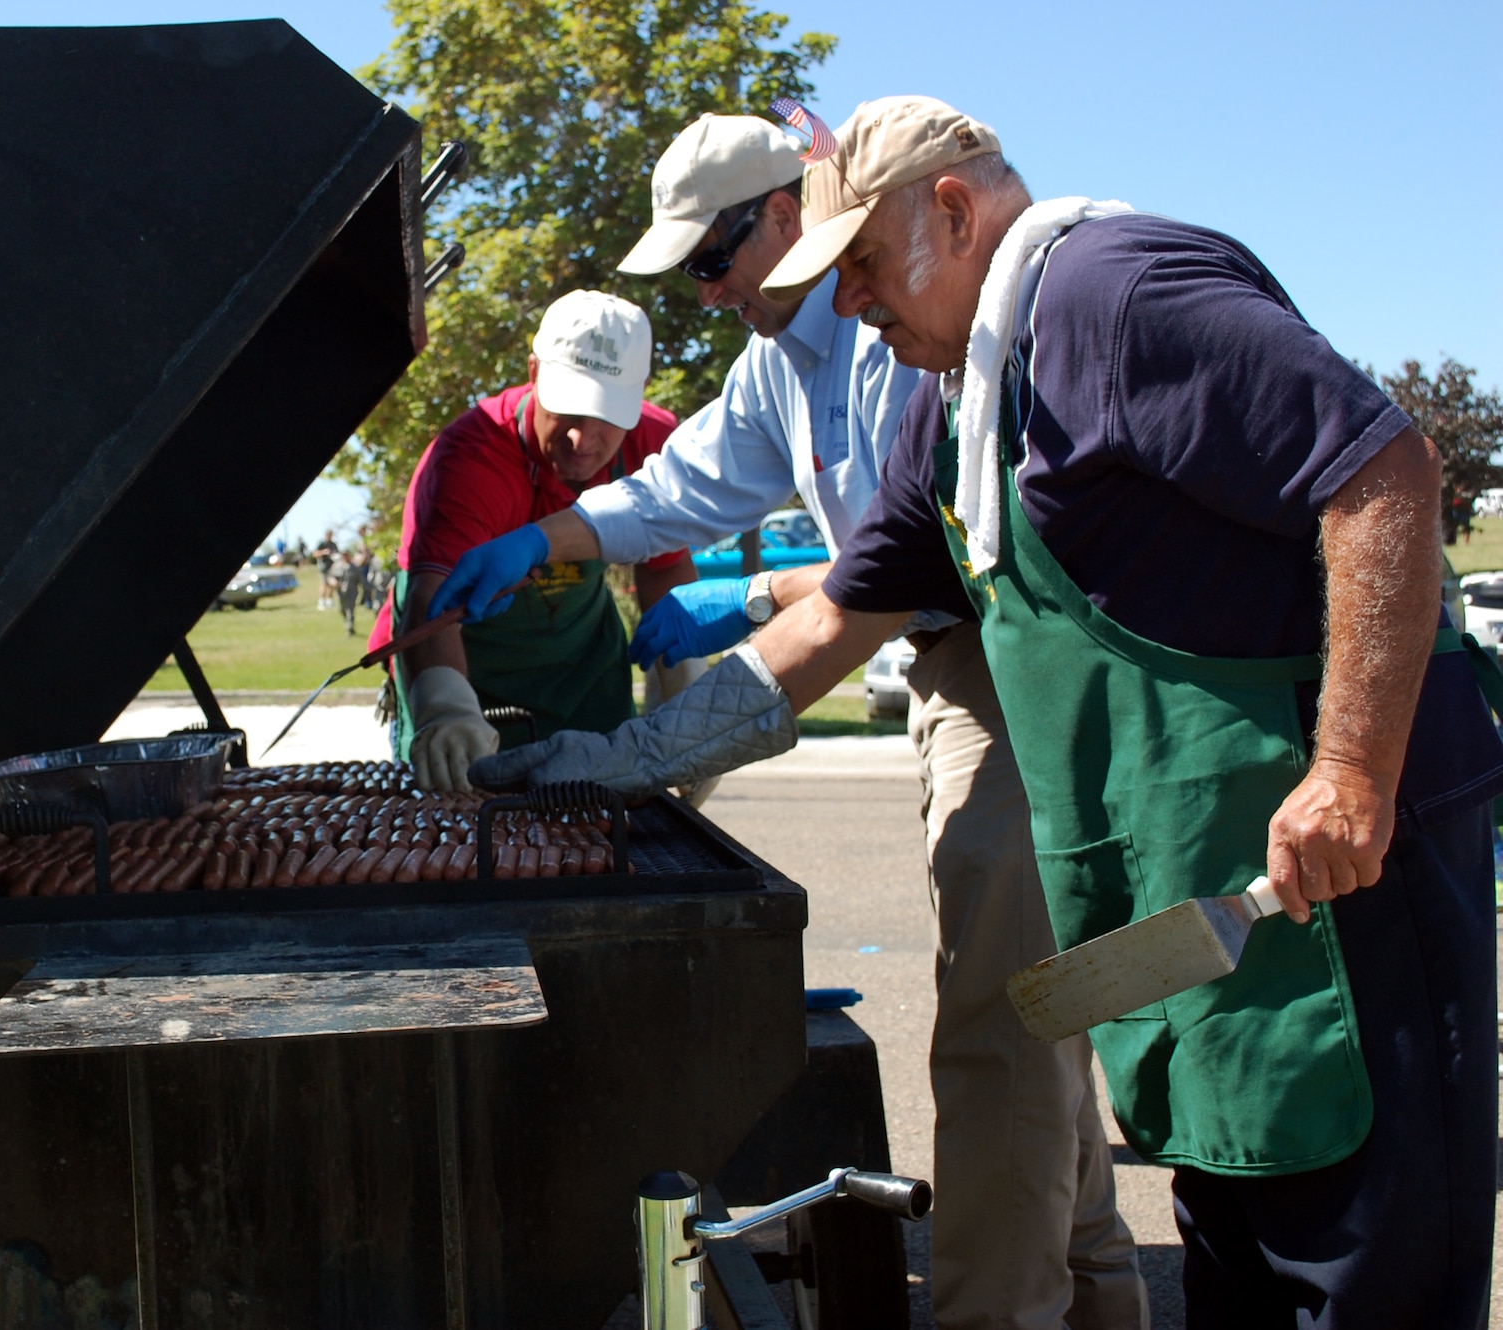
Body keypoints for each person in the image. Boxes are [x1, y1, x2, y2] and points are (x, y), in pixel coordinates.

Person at [469, 95, 1503, 1327]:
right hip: (1208, 873)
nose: (846, 306)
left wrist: (1346, 772)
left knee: (1356, 1262)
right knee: (1229, 1230)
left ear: (950, 213)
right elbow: (826, 625)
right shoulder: (948, 402)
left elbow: (1380, 472)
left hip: (1343, 869)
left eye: (856, 265)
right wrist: (613, 762)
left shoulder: (1109, 293)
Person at [433, 113, 1145, 1328]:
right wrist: (549, 536)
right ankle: (1096, 1294)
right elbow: (680, 487)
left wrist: (649, 736)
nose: (709, 295)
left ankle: (1000, 1311)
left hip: (1015, 660)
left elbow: (877, 586)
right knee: (1032, 990)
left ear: (783, 212)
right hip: (939, 661)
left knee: (998, 1020)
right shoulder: (776, 361)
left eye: (714, 262)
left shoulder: (893, 331)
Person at [367, 290, 696, 792]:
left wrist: (683, 698)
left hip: (584, 673)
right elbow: (431, 596)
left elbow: (666, 563)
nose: (584, 442)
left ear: (640, 390)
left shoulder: (652, 441)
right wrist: (448, 708)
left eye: (607, 415)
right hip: (462, 666)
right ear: (535, 372)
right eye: (570, 410)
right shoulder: (470, 455)